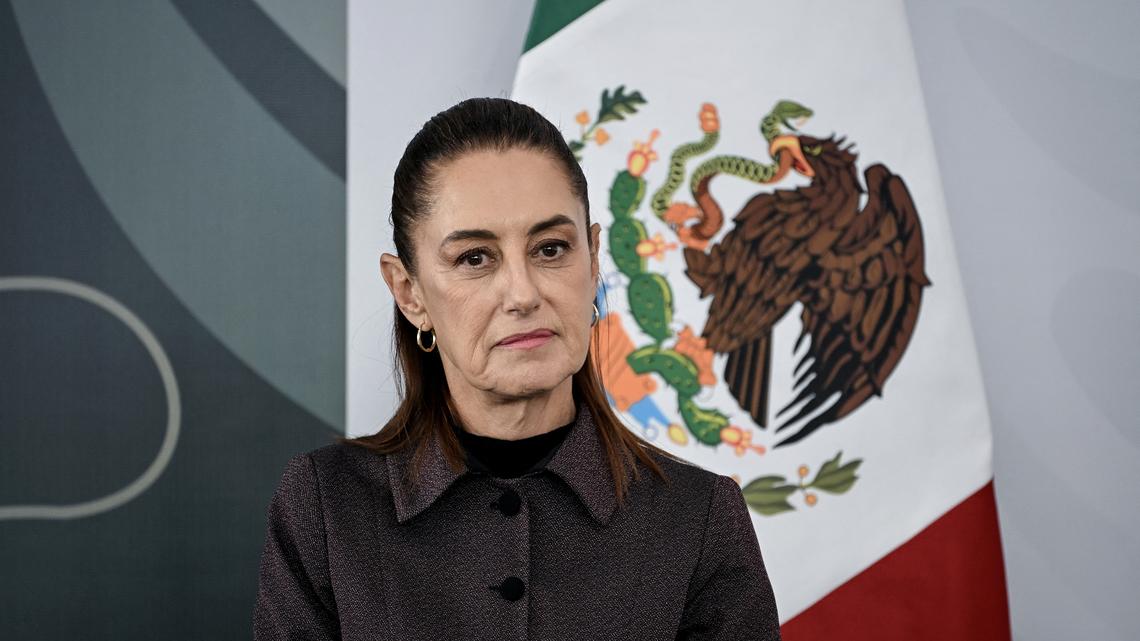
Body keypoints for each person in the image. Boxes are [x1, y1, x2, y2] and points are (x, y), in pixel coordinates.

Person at [253, 97, 781, 640]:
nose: (523, 294)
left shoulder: (699, 518)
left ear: (594, 259)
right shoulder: (324, 508)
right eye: (475, 258)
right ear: (409, 292)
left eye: (551, 248)